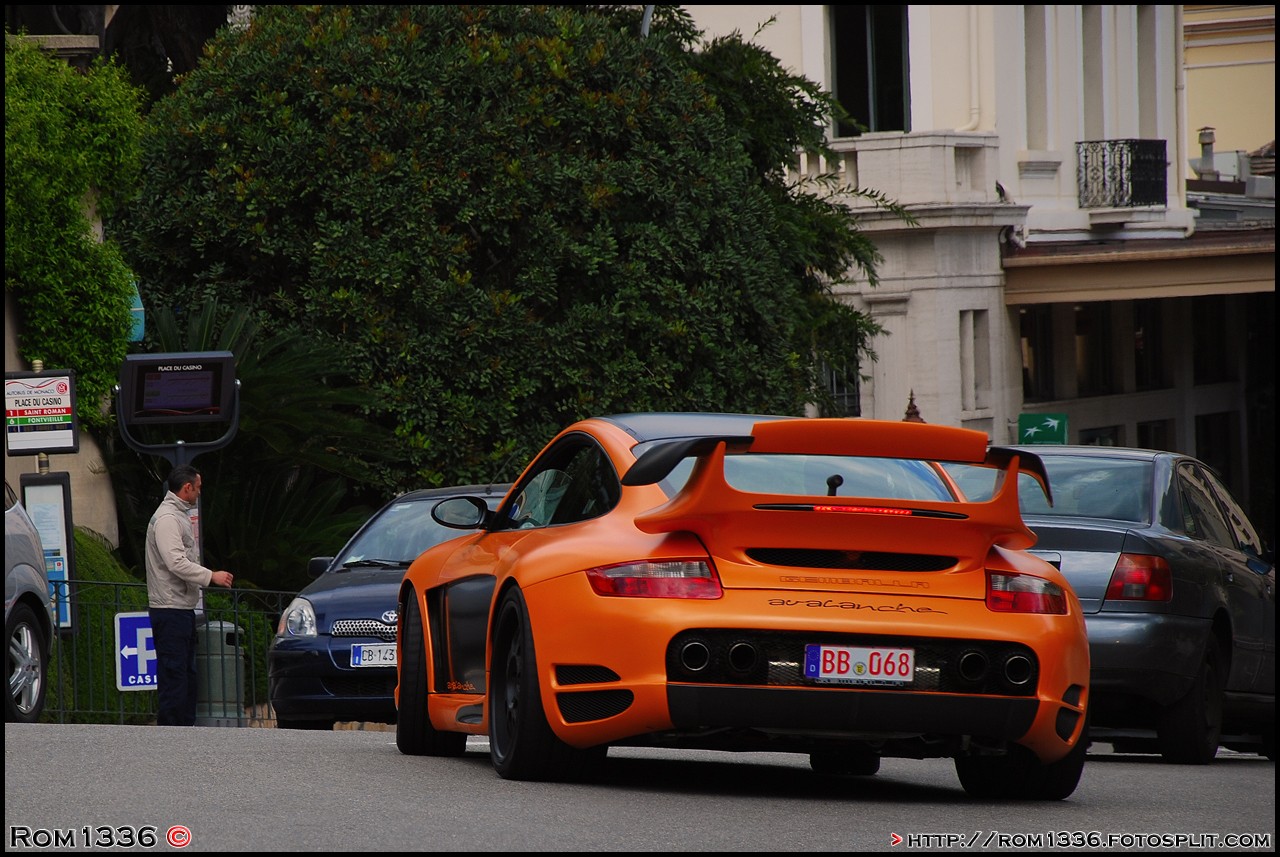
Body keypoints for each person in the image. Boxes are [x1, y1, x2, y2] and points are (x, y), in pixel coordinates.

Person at [145, 464, 234, 726]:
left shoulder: (176, 514)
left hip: (178, 607)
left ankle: (183, 730)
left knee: (184, 672)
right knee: (175, 673)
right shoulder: (168, 519)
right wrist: (211, 576)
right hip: (170, 607)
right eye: (198, 487)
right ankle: (174, 732)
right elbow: (175, 562)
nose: (199, 492)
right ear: (187, 488)